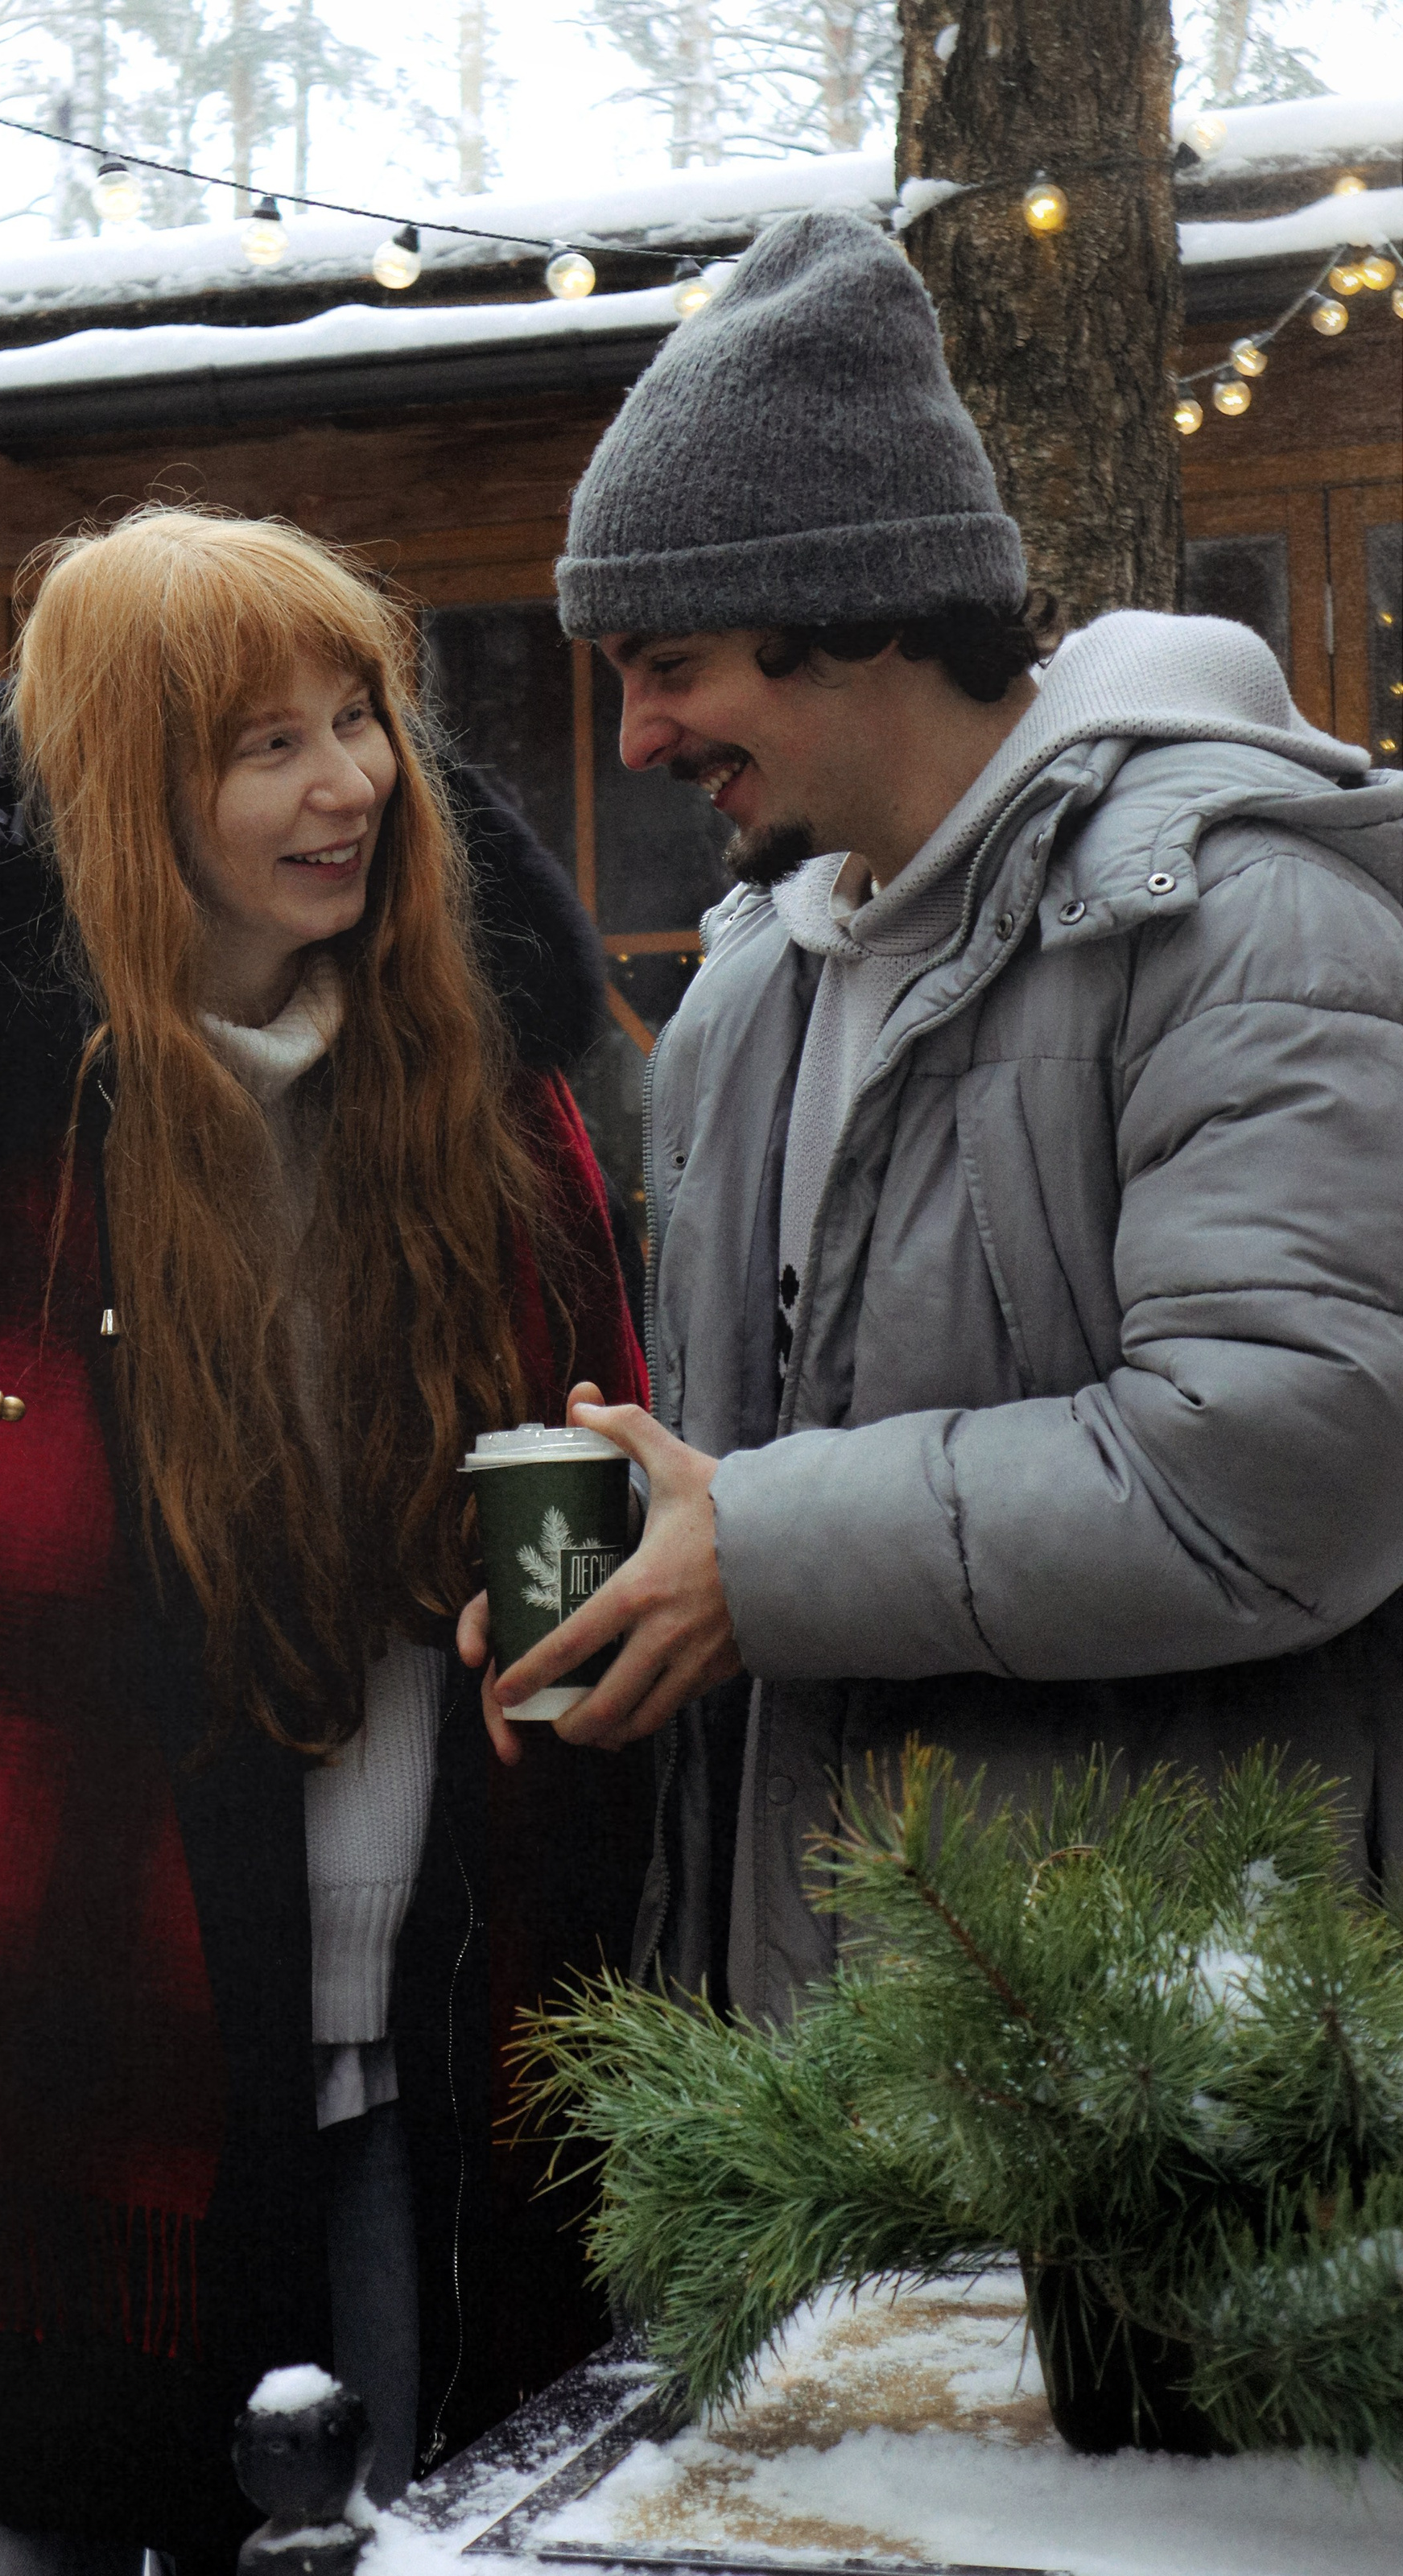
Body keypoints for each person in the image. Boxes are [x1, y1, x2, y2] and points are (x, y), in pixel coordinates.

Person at [0, 506, 650, 2571]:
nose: (349, 783)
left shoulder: (498, 1114)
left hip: (438, 2040)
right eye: (260, 745)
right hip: (28, 2086)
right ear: (123, 787)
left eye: (358, 720)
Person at [461, 208, 1403, 2025]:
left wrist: (755, 1549)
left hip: (1165, 2079)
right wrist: (645, 1572)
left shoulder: (1243, 926)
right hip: (818, 2066)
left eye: (671, 662)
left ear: (867, 609)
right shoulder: (749, 993)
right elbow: (764, 1497)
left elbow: (1278, 1472)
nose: (639, 735)